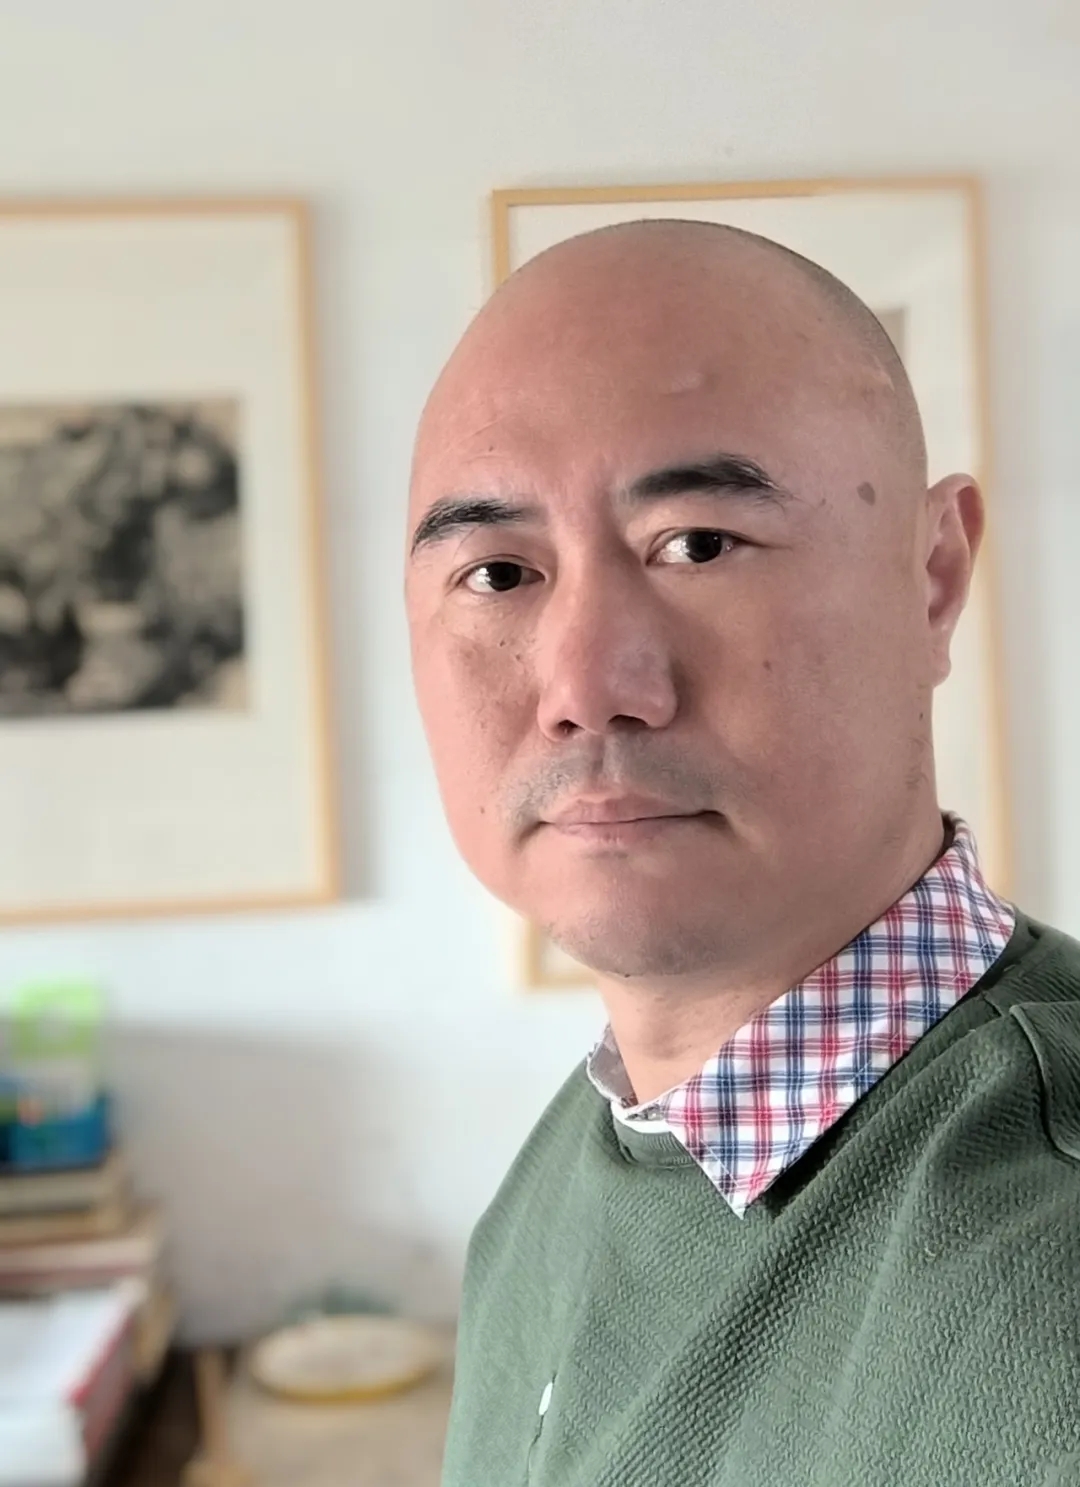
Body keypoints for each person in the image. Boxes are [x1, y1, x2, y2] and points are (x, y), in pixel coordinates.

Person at [405, 220, 1080, 1487]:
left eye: (699, 544)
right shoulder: (583, 1153)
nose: (587, 688)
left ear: (933, 575)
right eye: (498, 572)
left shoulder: (1043, 1307)